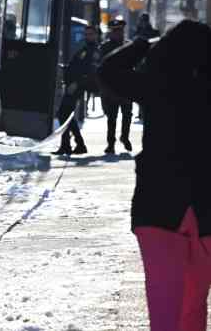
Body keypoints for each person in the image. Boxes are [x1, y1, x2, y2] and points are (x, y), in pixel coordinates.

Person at [98, 20, 210, 331]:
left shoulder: (156, 84)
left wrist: (142, 45)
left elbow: (107, 72)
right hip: (206, 207)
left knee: (163, 304)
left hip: (157, 207)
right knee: (194, 304)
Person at [53, 25, 101, 155]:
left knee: (64, 113)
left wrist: (76, 83)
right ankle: (73, 144)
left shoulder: (94, 51)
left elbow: (89, 72)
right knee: (65, 114)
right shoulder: (85, 49)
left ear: (96, 35)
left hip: (77, 86)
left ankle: (72, 145)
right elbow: (77, 66)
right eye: (86, 34)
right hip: (72, 85)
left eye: (90, 34)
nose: (87, 36)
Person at [100, 18, 133, 154]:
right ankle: (111, 143)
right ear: (111, 32)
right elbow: (99, 67)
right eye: (115, 31)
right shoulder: (105, 47)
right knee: (112, 117)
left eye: (120, 31)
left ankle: (125, 137)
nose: (118, 34)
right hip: (111, 88)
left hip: (126, 86)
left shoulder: (129, 45)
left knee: (127, 115)